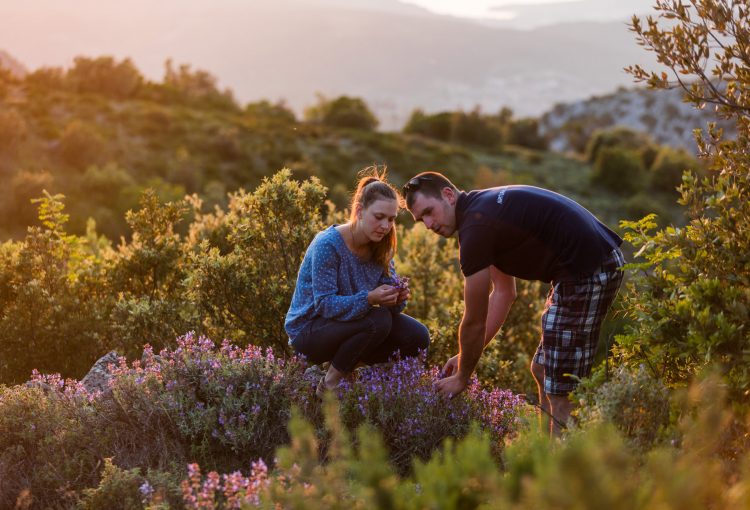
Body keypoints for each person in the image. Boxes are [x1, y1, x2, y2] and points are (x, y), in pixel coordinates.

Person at [402, 172, 624, 435]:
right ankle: (544, 451)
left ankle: (561, 469)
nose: (428, 224)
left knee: (561, 389)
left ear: (448, 195)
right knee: (542, 370)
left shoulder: (476, 228)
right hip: (584, 268)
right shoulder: (478, 215)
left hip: (588, 269)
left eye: (429, 211)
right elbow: (504, 293)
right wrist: (465, 357)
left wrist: (462, 377)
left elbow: (473, 320)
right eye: (421, 219)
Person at [285, 170, 430, 397]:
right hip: (310, 331)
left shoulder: (380, 246)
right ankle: (329, 385)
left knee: (418, 336)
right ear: (360, 211)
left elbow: (391, 310)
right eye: (379, 217)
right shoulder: (328, 244)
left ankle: (358, 375)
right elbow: (324, 304)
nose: (385, 226)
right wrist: (370, 298)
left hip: (350, 326)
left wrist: (396, 297)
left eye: (391, 219)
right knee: (378, 320)